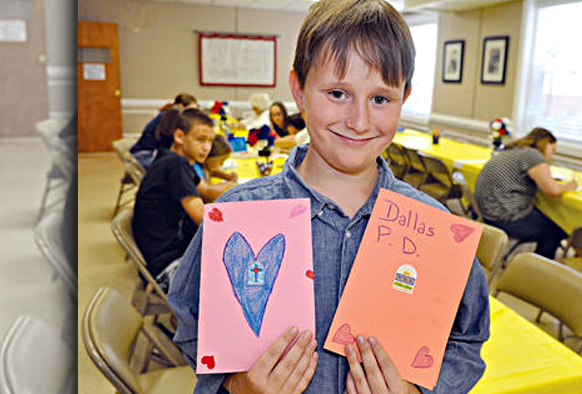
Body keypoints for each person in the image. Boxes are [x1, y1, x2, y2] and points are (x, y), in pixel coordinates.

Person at [168, 1, 490, 393]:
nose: (358, 121)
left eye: (380, 99)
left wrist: (417, 390)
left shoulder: (435, 229)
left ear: (403, 99)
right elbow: (189, 317)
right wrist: (236, 386)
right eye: (338, 93)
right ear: (299, 92)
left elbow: (467, 339)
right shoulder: (239, 211)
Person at [132, 107, 214, 293]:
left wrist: (240, 189)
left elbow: (207, 190)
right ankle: (186, 318)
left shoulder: (172, 158)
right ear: (179, 136)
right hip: (170, 266)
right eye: (201, 139)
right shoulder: (176, 165)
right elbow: (204, 219)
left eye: (210, 141)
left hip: (168, 254)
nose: (207, 147)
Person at [475, 127, 578, 259]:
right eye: (552, 150)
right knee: (556, 229)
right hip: (505, 216)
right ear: (546, 145)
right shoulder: (533, 155)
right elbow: (552, 190)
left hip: (486, 213)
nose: (551, 155)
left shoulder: (513, 151)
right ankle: (540, 268)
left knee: (546, 218)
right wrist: (567, 186)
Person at [130, 93, 198, 169]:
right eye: (191, 110)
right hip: (145, 155)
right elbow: (168, 142)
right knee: (177, 168)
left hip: (145, 152)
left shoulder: (168, 114)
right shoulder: (169, 118)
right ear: (180, 106)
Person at [192, 134, 238, 202]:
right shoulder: (195, 169)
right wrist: (231, 185)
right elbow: (208, 193)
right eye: (221, 160)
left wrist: (227, 176)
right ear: (210, 155)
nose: (222, 164)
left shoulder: (204, 166)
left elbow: (212, 171)